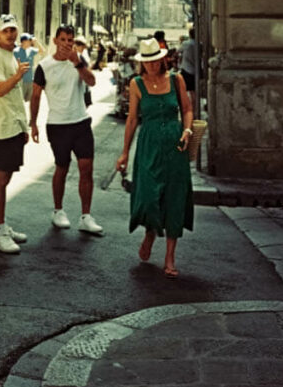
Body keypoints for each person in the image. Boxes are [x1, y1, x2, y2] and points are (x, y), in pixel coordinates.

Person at [116, 37, 193, 276]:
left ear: (163, 59)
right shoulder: (136, 83)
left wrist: (188, 130)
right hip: (148, 145)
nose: (152, 65)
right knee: (148, 196)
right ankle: (150, 232)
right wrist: (125, 152)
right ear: (142, 63)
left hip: (175, 144)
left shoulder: (176, 79)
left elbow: (187, 109)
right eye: (147, 61)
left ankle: (170, 257)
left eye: (155, 60)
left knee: (174, 198)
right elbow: (131, 120)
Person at [30, 24, 103, 235]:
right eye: (63, 40)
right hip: (58, 125)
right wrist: (33, 123)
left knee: (86, 168)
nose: (67, 44)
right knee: (62, 167)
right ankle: (58, 210)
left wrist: (78, 64)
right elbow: (35, 96)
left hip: (81, 121)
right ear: (55, 41)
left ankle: (86, 216)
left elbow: (92, 81)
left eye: (70, 40)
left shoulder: (79, 61)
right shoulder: (44, 66)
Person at [0, 13, 30, 254]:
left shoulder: (10, 55)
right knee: (2, 177)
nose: (10, 34)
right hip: (2, 126)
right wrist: (18, 76)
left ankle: (2, 225)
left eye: (13, 30)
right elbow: (0, 90)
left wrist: (24, 126)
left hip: (13, 125)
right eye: (6, 30)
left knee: (7, 175)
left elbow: (15, 98)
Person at [14, 32, 46, 101]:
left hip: (30, 81)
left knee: (29, 102)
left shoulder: (31, 50)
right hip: (21, 81)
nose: (30, 42)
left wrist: (36, 42)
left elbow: (42, 51)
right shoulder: (16, 51)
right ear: (23, 41)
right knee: (20, 101)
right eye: (29, 40)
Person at [179, 27, 198, 109]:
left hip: (186, 69)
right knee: (193, 92)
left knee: (185, 91)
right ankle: (194, 108)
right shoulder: (199, 44)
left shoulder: (186, 44)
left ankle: (189, 108)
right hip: (195, 70)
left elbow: (178, 51)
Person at [73, 35, 92, 107]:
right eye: (82, 47)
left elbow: (87, 66)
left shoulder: (82, 54)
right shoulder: (75, 55)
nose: (83, 49)